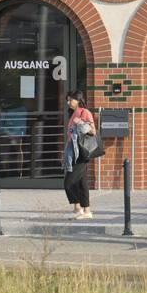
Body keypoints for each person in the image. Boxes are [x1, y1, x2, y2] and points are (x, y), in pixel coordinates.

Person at [63, 90, 96, 219]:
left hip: (81, 153)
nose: (68, 102)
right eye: (67, 100)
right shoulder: (72, 114)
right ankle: (86, 211)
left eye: (70, 100)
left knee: (68, 182)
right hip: (72, 152)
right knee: (81, 183)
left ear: (78, 100)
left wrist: (80, 123)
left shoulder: (84, 112)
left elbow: (93, 131)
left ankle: (77, 206)